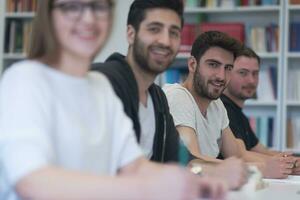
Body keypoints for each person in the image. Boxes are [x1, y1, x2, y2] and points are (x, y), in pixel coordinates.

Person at [0, 1, 227, 200]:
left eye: (99, 7)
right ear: (50, 16)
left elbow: (135, 166)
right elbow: (32, 181)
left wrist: (195, 183)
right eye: (71, 7)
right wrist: (145, 190)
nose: (88, 18)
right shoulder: (25, 79)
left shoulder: (100, 88)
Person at [92, 0, 247, 189]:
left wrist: (217, 171)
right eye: (154, 29)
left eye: (173, 32)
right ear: (131, 34)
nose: (165, 41)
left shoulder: (158, 99)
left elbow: (181, 161)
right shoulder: (104, 82)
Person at [163, 31, 296, 179]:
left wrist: (286, 165)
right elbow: (191, 160)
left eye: (228, 68)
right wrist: (261, 169)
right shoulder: (177, 96)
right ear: (193, 64)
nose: (221, 76)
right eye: (213, 65)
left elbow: (237, 155)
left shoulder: (216, 105)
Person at [221, 46, 300, 177]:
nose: (251, 80)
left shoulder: (238, 113)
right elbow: (240, 155)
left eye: (255, 73)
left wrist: (293, 160)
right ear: (228, 72)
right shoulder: (223, 108)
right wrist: (288, 164)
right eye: (243, 73)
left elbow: (261, 150)